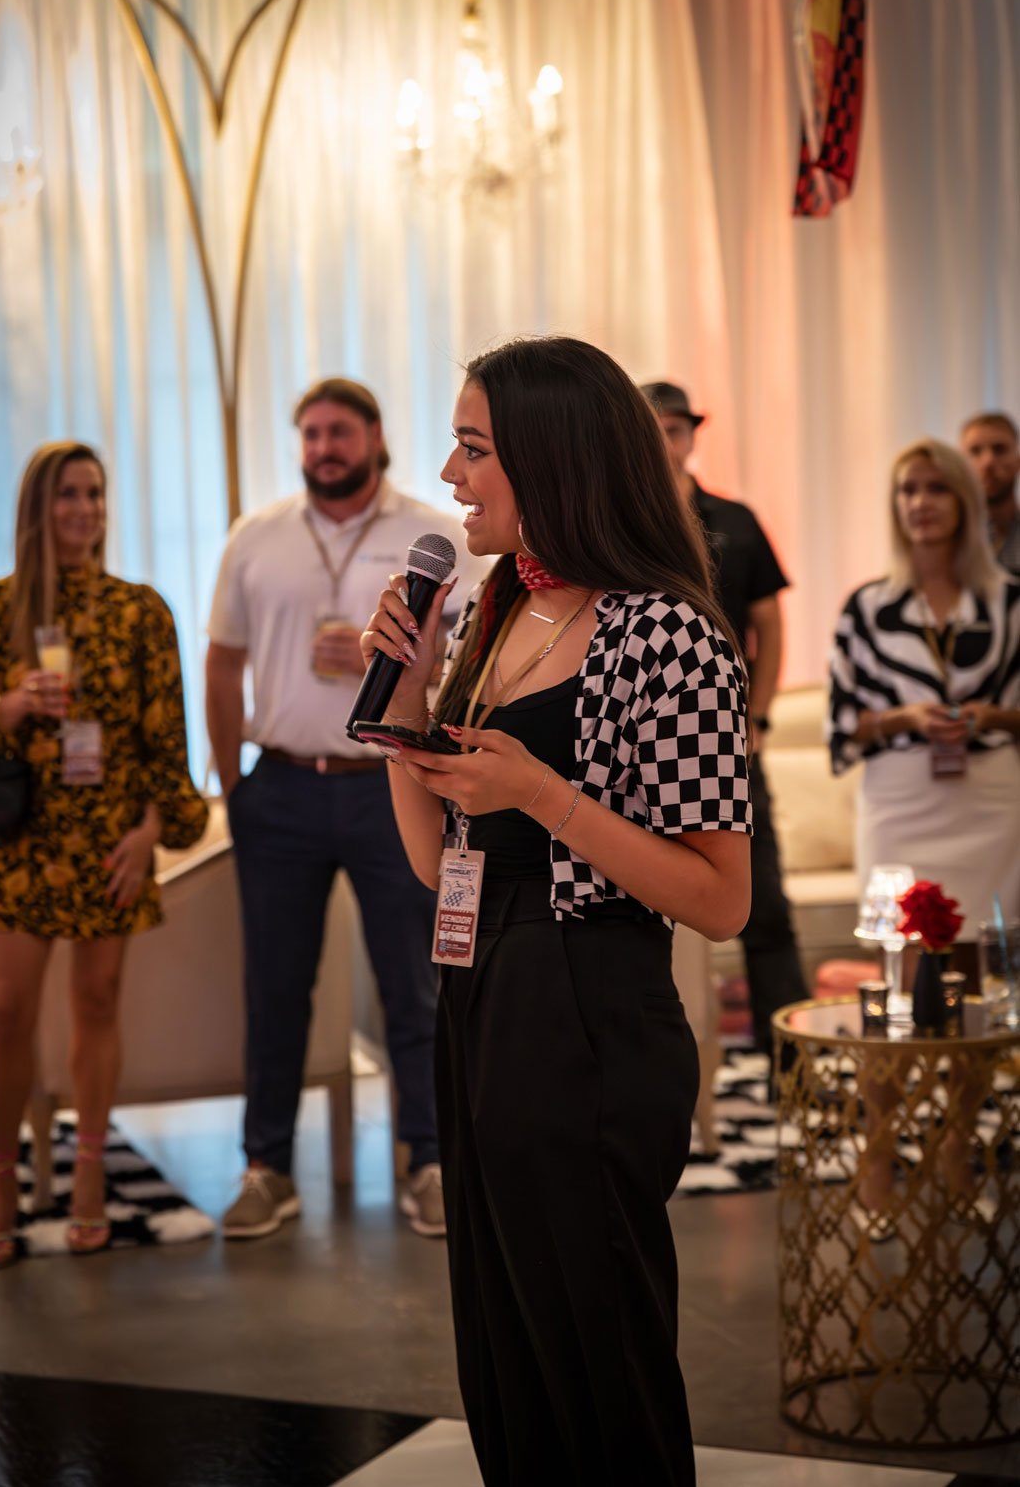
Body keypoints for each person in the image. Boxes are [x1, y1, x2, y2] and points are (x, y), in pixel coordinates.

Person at [360, 338, 752, 1486]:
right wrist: (406, 708)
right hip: (482, 987)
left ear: (553, 459)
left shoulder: (664, 634)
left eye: (474, 448)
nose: (449, 472)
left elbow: (720, 900)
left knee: (595, 1344)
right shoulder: (494, 610)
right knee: (507, 1338)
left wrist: (542, 793)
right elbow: (442, 868)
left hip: (588, 1006)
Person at [205, 377, 485, 1241]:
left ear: (374, 437)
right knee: (275, 988)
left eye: (340, 432)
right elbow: (221, 667)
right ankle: (266, 1170)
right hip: (281, 788)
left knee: (414, 983)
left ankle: (430, 1161)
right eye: (311, 433)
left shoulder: (429, 536)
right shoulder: (258, 538)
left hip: (387, 786)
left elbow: (472, 656)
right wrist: (235, 788)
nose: (325, 446)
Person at [0, 441, 208, 1270]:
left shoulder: (141, 611)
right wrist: (12, 703)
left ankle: (88, 1174)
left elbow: (168, 745)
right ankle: (4, 1181)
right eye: (67, 494)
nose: (84, 508)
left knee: (98, 1003)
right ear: (35, 509)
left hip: (112, 841)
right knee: (8, 1011)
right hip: (21, 842)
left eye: (95, 493)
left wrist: (153, 831)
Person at [828, 438, 1020, 1225]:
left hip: (987, 800)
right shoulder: (868, 609)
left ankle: (955, 1150)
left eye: (937, 489)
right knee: (898, 985)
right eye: (908, 490)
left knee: (973, 989)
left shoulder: (1010, 601)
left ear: (965, 503)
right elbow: (845, 723)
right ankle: (877, 1158)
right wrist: (905, 717)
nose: (921, 503)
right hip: (902, 799)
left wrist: (992, 715)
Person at [643, 380, 807, 1063]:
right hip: (650, 747)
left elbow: (769, 622)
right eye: (651, 429)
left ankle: (793, 1066)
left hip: (731, 741)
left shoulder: (735, 520)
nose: (665, 441)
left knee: (762, 902)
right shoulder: (628, 521)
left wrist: (760, 718)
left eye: (675, 429)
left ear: (690, 435)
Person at [960, 409, 1020, 573]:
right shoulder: (951, 538)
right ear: (960, 465)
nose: (988, 461)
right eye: (975, 451)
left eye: (999, 449)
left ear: (1018, 461)